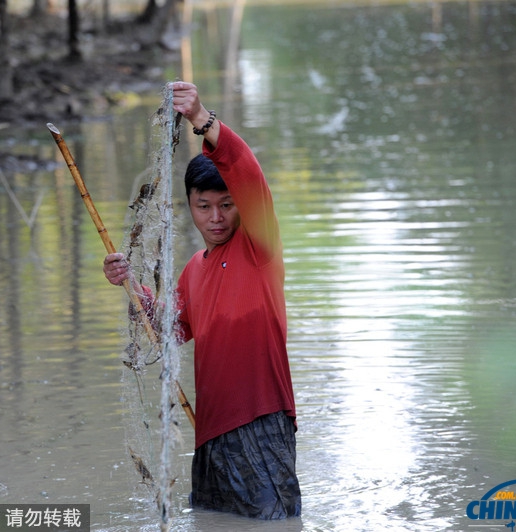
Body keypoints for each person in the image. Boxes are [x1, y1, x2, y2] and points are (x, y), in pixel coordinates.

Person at [102, 81, 301, 520]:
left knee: (273, 525)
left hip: (262, 421)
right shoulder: (194, 268)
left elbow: (247, 168)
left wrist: (201, 119)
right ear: (189, 205)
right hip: (210, 434)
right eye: (204, 205)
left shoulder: (258, 247)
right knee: (214, 522)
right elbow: (167, 328)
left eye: (227, 205)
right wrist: (130, 284)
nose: (215, 217)